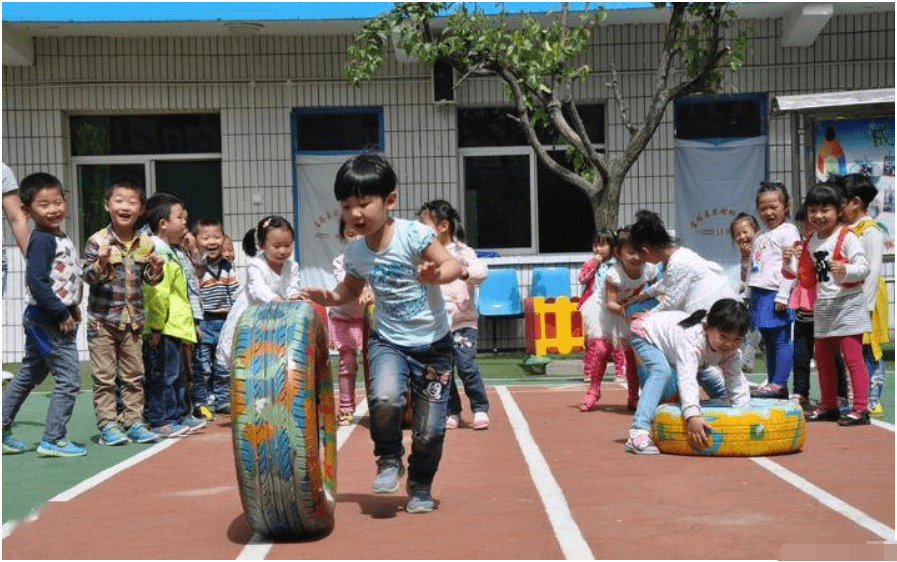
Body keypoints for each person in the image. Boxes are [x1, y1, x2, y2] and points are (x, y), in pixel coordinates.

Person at [297, 153, 462, 514]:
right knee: (384, 398)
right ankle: (388, 458)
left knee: (430, 430)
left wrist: (438, 274)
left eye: (364, 203)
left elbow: (454, 264)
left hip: (434, 346)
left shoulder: (414, 235)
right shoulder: (356, 250)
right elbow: (349, 292)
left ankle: (420, 485)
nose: (355, 213)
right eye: (347, 205)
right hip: (387, 341)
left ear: (389, 200)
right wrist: (328, 296)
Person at [1, 173, 87, 456]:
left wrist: (73, 306)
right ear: (27, 211)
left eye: (58, 202)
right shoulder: (42, 241)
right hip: (48, 323)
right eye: (44, 205)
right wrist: (61, 312)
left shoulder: (58, 236)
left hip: (48, 318)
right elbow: (36, 280)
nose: (54, 209)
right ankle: (53, 438)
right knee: (69, 379)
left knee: (29, 374)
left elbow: (64, 278)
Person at [83, 176, 165, 446]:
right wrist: (102, 262)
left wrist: (156, 269)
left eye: (132, 202)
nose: (125, 206)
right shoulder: (97, 241)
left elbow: (149, 281)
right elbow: (89, 277)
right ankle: (108, 425)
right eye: (119, 200)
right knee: (104, 378)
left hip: (133, 322)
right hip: (103, 322)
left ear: (141, 209)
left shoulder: (146, 244)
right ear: (107, 205)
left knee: (133, 376)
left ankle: (134, 422)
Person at [624, 298, 751, 454]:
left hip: (684, 350)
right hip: (646, 335)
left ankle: (719, 401)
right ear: (707, 327)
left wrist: (744, 413)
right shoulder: (692, 340)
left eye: (737, 339)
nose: (729, 344)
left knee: (712, 380)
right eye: (723, 336)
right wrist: (692, 416)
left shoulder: (732, 352)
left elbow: (736, 381)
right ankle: (638, 431)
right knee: (661, 371)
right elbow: (687, 378)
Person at [797, 182, 871, 426]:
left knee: (852, 357)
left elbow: (864, 267)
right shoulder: (811, 242)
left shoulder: (847, 237)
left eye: (824, 210)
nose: (818, 216)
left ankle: (860, 408)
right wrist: (791, 262)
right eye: (813, 210)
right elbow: (806, 279)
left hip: (848, 303)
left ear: (839, 210)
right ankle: (828, 406)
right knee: (823, 358)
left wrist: (846, 269)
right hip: (825, 306)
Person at [418, 199, 489, 430]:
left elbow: (481, 271)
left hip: (464, 322)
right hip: (438, 325)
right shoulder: (424, 255)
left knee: (466, 367)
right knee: (442, 371)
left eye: (424, 226)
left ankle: (479, 408)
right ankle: (452, 411)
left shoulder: (463, 251)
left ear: (443, 226)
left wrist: (464, 271)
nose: (420, 231)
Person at [142, 192, 206, 437]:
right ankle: (161, 418)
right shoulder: (158, 253)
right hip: (164, 327)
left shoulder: (174, 251)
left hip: (176, 326)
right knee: (164, 376)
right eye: (180, 218)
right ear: (163, 224)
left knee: (178, 375)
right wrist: (156, 327)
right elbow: (157, 293)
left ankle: (180, 414)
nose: (185, 224)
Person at [216, 215, 302, 368]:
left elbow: (291, 287)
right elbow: (258, 290)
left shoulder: (292, 266)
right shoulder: (255, 265)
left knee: (274, 354)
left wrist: (295, 297)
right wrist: (275, 299)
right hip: (253, 314)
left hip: (277, 314)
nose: (283, 251)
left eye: (287, 245)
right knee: (246, 354)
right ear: (262, 245)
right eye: (277, 246)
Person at [838, 174, 889, 416]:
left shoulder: (871, 232)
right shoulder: (847, 230)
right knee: (855, 348)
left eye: (842, 201)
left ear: (856, 202)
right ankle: (859, 395)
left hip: (867, 300)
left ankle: (873, 398)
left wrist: (866, 305)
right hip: (852, 297)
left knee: (871, 347)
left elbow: (873, 269)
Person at [628, 209, 739, 315]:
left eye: (641, 256)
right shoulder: (678, 255)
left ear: (645, 251)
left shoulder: (677, 263)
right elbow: (667, 282)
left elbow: (671, 303)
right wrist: (646, 294)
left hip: (713, 308)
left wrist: (647, 315)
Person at [747, 182, 800, 399]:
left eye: (774, 207)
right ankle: (771, 382)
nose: (768, 212)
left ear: (786, 206)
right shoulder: (760, 235)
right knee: (768, 342)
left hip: (776, 293)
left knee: (780, 339)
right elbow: (755, 265)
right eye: (763, 207)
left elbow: (792, 265)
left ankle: (780, 384)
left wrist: (784, 294)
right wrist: (748, 295)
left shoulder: (788, 231)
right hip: (759, 293)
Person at [602, 226, 656, 412]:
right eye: (631, 252)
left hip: (643, 314)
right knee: (630, 360)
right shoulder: (614, 274)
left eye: (641, 251)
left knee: (650, 359)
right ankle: (632, 396)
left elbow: (659, 293)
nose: (637, 257)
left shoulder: (649, 269)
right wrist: (627, 312)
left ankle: (655, 394)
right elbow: (610, 303)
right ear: (618, 252)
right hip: (620, 315)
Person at [192, 217, 240, 417]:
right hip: (204, 321)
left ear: (224, 239)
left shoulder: (228, 267)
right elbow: (194, 295)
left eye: (216, 237)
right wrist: (195, 321)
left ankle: (222, 401)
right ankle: (200, 402)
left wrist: (237, 316)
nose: (212, 242)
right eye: (206, 238)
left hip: (225, 321)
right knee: (203, 366)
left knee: (222, 364)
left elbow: (235, 294)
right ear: (196, 240)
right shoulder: (197, 267)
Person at [329, 217, 373, 426]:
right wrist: (362, 289)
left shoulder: (378, 259)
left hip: (371, 320)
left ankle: (380, 407)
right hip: (345, 319)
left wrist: (372, 291)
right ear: (344, 236)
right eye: (351, 234)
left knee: (376, 364)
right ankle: (346, 408)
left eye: (361, 233)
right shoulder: (341, 261)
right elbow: (345, 283)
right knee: (347, 365)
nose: (357, 239)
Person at [782, 204, 815, 409]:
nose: (806, 229)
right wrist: (789, 261)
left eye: (809, 225)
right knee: (801, 353)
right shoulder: (798, 245)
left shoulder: (822, 245)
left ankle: (840, 395)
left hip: (822, 308)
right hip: (802, 309)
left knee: (828, 355)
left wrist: (807, 254)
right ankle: (801, 392)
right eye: (802, 224)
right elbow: (791, 273)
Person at [577, 228, 617, 386]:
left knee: (616, 340)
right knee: (593, 341)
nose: (599, 249)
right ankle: (589, 372)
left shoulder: (617, 264)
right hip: (594, 305)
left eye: (603, 245)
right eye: (596, 245)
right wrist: (594, 263)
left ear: (612, 246)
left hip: (612, 305)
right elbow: (582, 278)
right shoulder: (591, 263)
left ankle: (620, 372)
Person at [729, 212, 762, 374]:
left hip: (768, 294)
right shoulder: (746, 252)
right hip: (753, 296)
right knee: (752, 325)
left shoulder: (762, 246)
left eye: (745, 232)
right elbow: (746, 276)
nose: (741, 237)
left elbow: (759, 271)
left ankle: (750, 349)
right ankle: (747, 352)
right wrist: (745, 257)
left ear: (756, 230)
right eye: (737, 234)